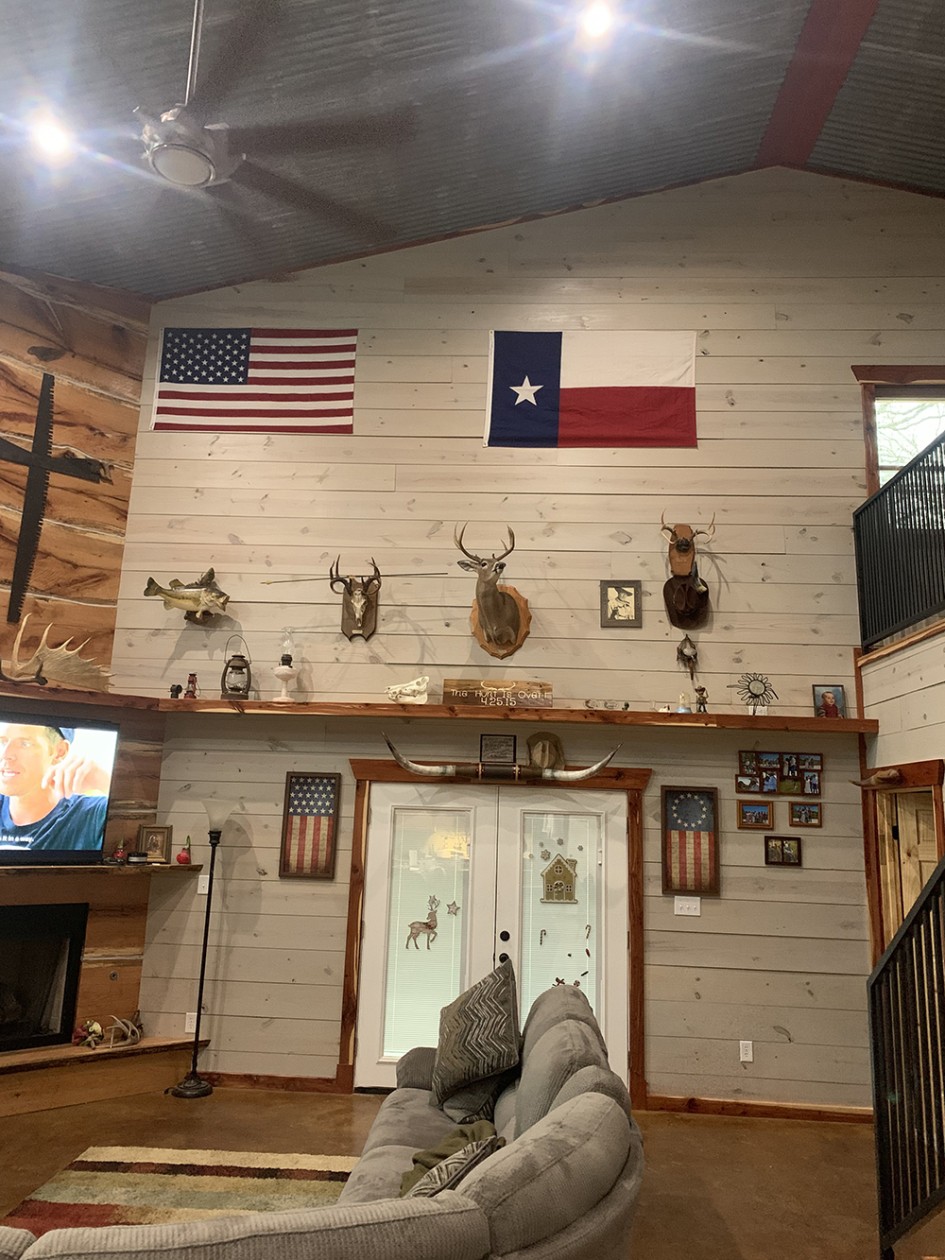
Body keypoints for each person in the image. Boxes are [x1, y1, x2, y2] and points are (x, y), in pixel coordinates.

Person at [0, 724, 109, 852]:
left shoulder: (93, 814)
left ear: (60, 752)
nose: (5, 754)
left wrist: (106, 782)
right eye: (2, 742)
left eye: (25, 744)